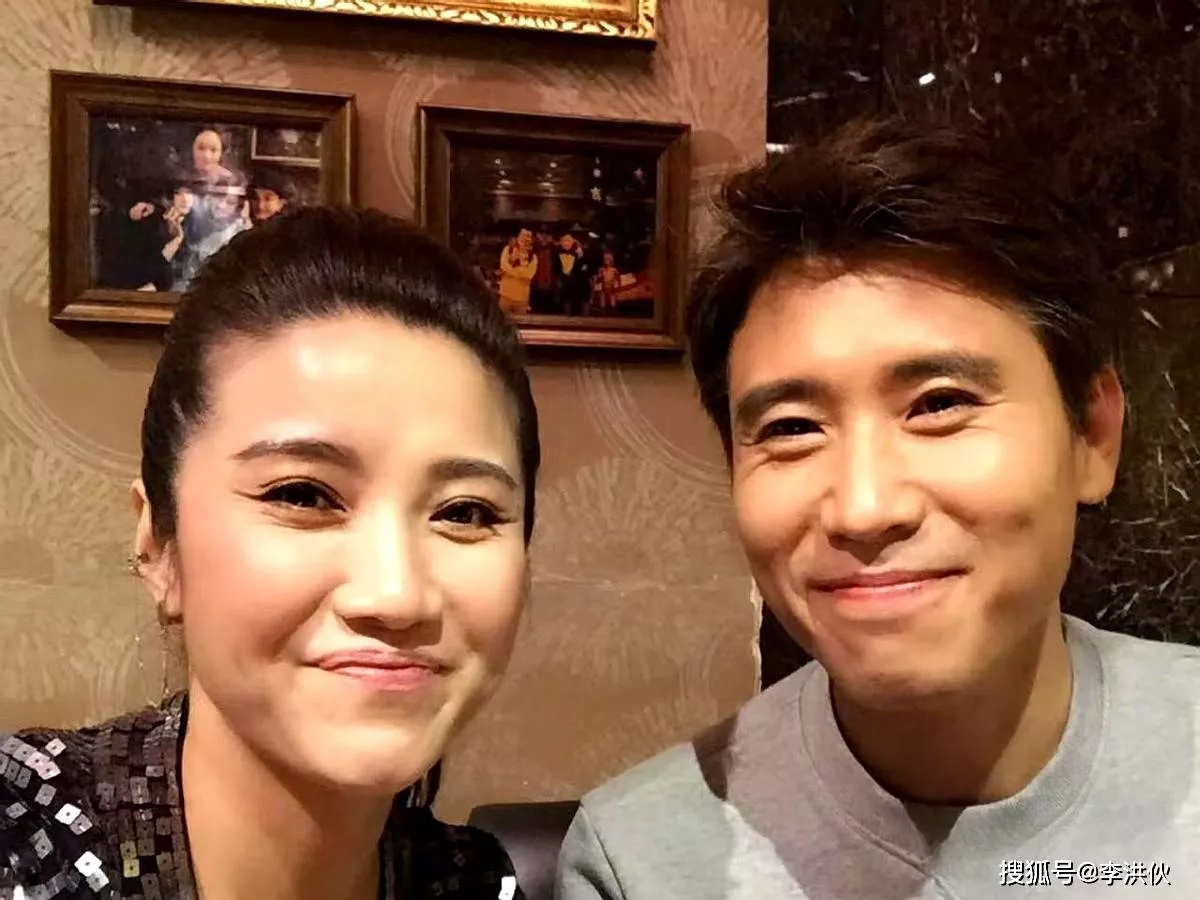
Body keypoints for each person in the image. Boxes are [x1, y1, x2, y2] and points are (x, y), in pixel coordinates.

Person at [557, 118, 1200, 898]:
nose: (863, 509)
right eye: (791, 428)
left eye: (939, 404)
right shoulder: (640, 863)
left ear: (1091, 435)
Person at [2, 206, 539, 900]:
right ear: (159, 545)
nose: (396, 594)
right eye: (303, 495)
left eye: (465, 512)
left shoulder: (471, 883)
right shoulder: (22, 842)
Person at [497, 229, 537, 316]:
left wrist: (513, 272)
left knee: (521, 322)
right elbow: (504, 266)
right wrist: (518, 272)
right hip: (505, 295)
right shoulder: (508, 249)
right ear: (518, 237)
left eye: (528, 236)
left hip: (522, 298)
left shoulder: (533, 256)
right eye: (522, 235)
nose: (525, 238)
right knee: (501, 319)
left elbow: (529, 274)